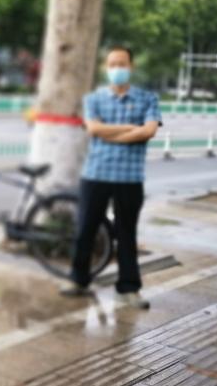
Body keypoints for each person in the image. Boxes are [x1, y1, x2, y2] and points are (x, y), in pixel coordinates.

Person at [62, 46, 161, 308]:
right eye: (112, 64)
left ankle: (129, 288)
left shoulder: (147, 99)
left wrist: (112, 134)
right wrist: (130, 129)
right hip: (96, 173)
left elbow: (149, 131)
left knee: (127, 234)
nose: (117, 68)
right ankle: (78, 280)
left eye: (122, 63)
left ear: (131, 66)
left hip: (130, 177)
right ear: (107, 68)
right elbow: (94, 129)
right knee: (85, 229)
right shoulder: (94, 99)